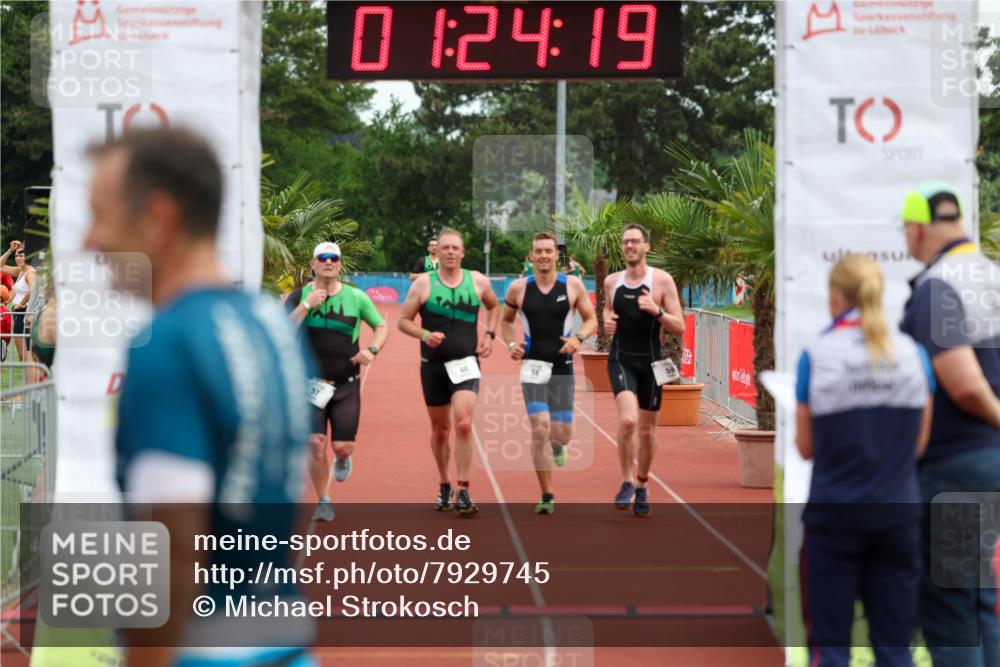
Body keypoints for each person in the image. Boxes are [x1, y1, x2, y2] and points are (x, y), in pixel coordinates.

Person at [84, 127, 317, 667]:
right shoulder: (270, 323)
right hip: (283, 639)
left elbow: (172, 546)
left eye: (101, 216)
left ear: (156, 218)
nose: (90, 242)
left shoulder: (165, 343)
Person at [795, 254, 934, 667]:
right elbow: (919, 445)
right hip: (897, 515)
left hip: (834, 517)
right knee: (895, 649)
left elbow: (805, 446)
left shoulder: (817, 354)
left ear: (835, 296)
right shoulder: (913, 354)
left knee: (830, 649)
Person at [898, 182, 1000, 667]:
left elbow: (963, 384)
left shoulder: (938, 286)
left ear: (918, 228)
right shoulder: (991, 276)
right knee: (977, 598)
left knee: (950, 608)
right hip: (985, 464)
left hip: (954, 465)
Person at [398, 227, 500, 515]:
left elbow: (494, 307)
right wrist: (424, 334)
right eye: (446, 248)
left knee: (464, 423)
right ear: (437, 252)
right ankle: (444, 483)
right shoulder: (423, 284)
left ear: (463, 252)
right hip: (433, 366)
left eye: (455, 248)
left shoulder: (477, 281)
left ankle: (463, 488)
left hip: (466, 363)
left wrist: (490, 334)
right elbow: (403, 321)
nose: (451, 252)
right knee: (441, 430)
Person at [286, 241, 388, 522]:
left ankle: (343, 457)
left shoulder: (356, 297)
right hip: (310, 385)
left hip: (346, 384)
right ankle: (324, 500)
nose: (328, 262)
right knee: (314, 443)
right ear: (313, 264)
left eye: (334, 258)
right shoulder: (299, 296)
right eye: (323, 258)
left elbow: (381, 326)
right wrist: (307, 305)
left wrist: (372, 350)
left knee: (342, 446)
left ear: (340, 264)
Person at [500, 232, 597, 514]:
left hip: (562, 367)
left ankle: (558, 446)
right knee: (539, 427)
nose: (543, 255)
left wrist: (578, 338)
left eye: (548, 251)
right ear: (531, 256)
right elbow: (506, 322)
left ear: (556, 255)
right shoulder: (518, 288)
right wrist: (511, 344)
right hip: (532, 367)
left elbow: (591, 319)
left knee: (562, 434)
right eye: (538, 251)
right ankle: (547, 494)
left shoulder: (572, 285)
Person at [603, 223, 684, 517]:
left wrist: (657, 311)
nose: (630, 246)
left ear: (646, 246)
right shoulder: (612, 281)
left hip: (652, 362)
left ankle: (642, 483)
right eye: (626, 241)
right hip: (621, 358)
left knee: (647, 432)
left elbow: (680, 326)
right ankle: (626, 481)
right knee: (628, 421)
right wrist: (607, 320)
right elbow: (608, 309)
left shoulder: (662, 281)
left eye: (635, 241)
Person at [1, 241, 36, 368]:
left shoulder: (30, 272)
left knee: (26, 357)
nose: (17, 258)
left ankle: (34, 380)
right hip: (18, 314)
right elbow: (0, 266)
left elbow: (33, 288)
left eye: (21, 255)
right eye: (16, 255)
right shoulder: (20, 271)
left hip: (24, 313)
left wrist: (21, 304)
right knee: (22, 357)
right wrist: (10, 250)